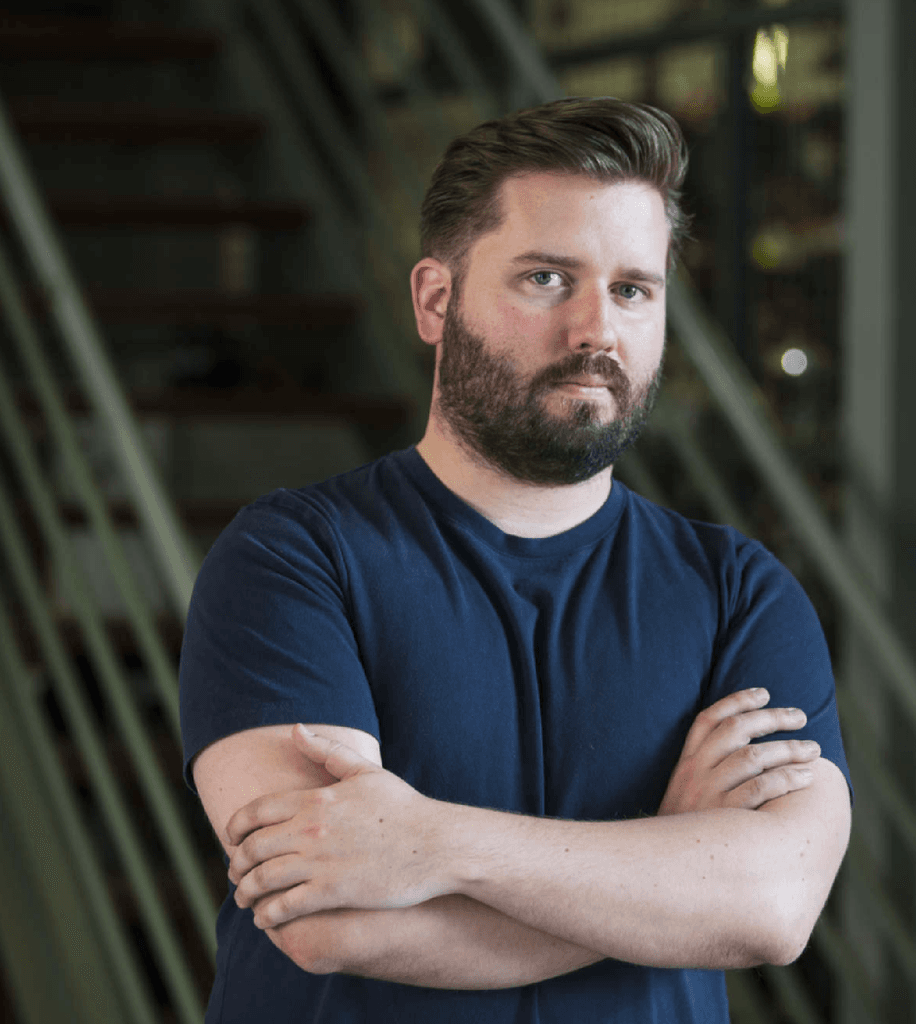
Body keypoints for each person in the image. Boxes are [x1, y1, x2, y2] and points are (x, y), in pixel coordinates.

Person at [179, 96, 852, 1023]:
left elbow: (771, 907)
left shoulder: (741, 595)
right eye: (545, 278)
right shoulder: (291, 562)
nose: (595, 331)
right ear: (434, 299)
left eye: (632, 289)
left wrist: (433, 845)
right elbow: (330, 922)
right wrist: (667, 858)